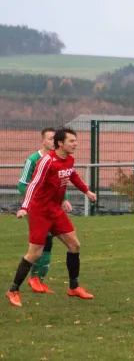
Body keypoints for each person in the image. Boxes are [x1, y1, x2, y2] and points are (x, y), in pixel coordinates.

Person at [7, 127, 97, 307]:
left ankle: (73, 287)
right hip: (40, 211)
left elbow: (73, 176)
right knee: (35, 253)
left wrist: (86, 191)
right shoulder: (46, 161)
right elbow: (33, 184)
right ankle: (13, 290)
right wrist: (25, 207)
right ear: (60, 143)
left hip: (55, 211)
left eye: (75, 140)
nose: (75, 144)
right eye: (72, 141)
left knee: (75, 245)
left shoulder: (69, 159)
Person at [17, 127, 73, 294]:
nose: (53, 142)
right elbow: (23, 185)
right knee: (43, 242)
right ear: (42, 141)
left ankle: (39, 280)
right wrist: (35, 202)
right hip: (37, 208)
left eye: (55, 139)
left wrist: (64, 199)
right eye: (50, 139)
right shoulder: (33, 160)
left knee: (50, 244)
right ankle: (33, 279)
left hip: (53, 209)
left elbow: (61, 180)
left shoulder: (59, 159)